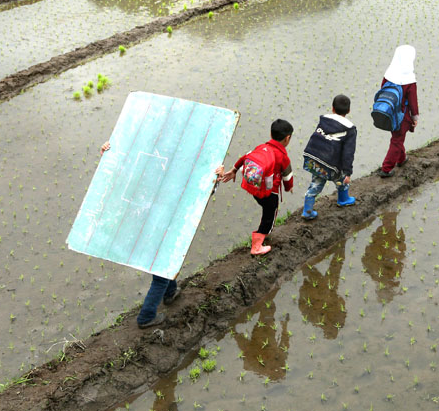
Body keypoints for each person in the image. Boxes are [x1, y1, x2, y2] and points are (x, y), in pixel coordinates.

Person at [99, 141, 202, 329]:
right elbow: (119, 174)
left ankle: (170, 292)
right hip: (153, 230)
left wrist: (215, 177)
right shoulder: (157, 178)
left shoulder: (160, 176)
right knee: (161, 275)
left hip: (155, 230)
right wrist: (109, 152)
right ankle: (146, 317)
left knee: (165, 265)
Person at [218, 119, 294, 255]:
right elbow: (287, 177)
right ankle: (257, 246)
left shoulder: (261, 147)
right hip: (270, 193)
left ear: (270, 134)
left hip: (255, 189)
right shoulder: (283, 156)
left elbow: (245, 157)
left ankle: (261, 238)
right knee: (269, 216)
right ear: (287, 138)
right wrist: (289, 188)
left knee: (265, 208)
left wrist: (234, 170)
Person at [301, 94, 357, 220]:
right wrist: (348, 172)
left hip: (313, 157)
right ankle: (343, 199)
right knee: (342, 179)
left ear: (332, 108)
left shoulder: (324, 120)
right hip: (330, 163)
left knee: (316, 183)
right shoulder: (350, 129)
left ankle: (307, 210)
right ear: (348, 110)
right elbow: (348, 153)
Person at [379, 44, 419, 177]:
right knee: (397, 140)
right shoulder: (409, 80)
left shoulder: (389, 74)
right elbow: (413, 102)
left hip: (388, 112)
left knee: (397, 137)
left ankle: (402, 159)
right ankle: (386, 168)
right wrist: (415, 118)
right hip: (402, 116)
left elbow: (383, 91)